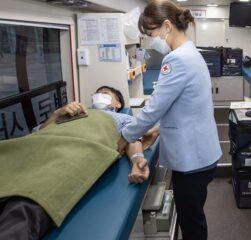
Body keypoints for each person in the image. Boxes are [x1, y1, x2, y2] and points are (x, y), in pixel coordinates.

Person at [116, 1, 222, 239]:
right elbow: (187, 107)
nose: (151, 40)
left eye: (151, 34)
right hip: (202, 152)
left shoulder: (176, 60)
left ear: (166, 26)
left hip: (192, 159)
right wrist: (158, 130)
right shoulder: (191, 53)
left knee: (191, 222)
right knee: (194, 216)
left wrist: (125, 136)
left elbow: (154, 107)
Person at [0, 86, 159, 240]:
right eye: (96, 93)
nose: (99, 96)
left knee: (31, 199)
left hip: (75, 150)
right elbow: (38, 132)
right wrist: (56, 114)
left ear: (118, 104)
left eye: (105, 93)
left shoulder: (122, 118)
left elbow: (132, 138)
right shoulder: (71, 110)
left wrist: (137, 159)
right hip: (37, 146)